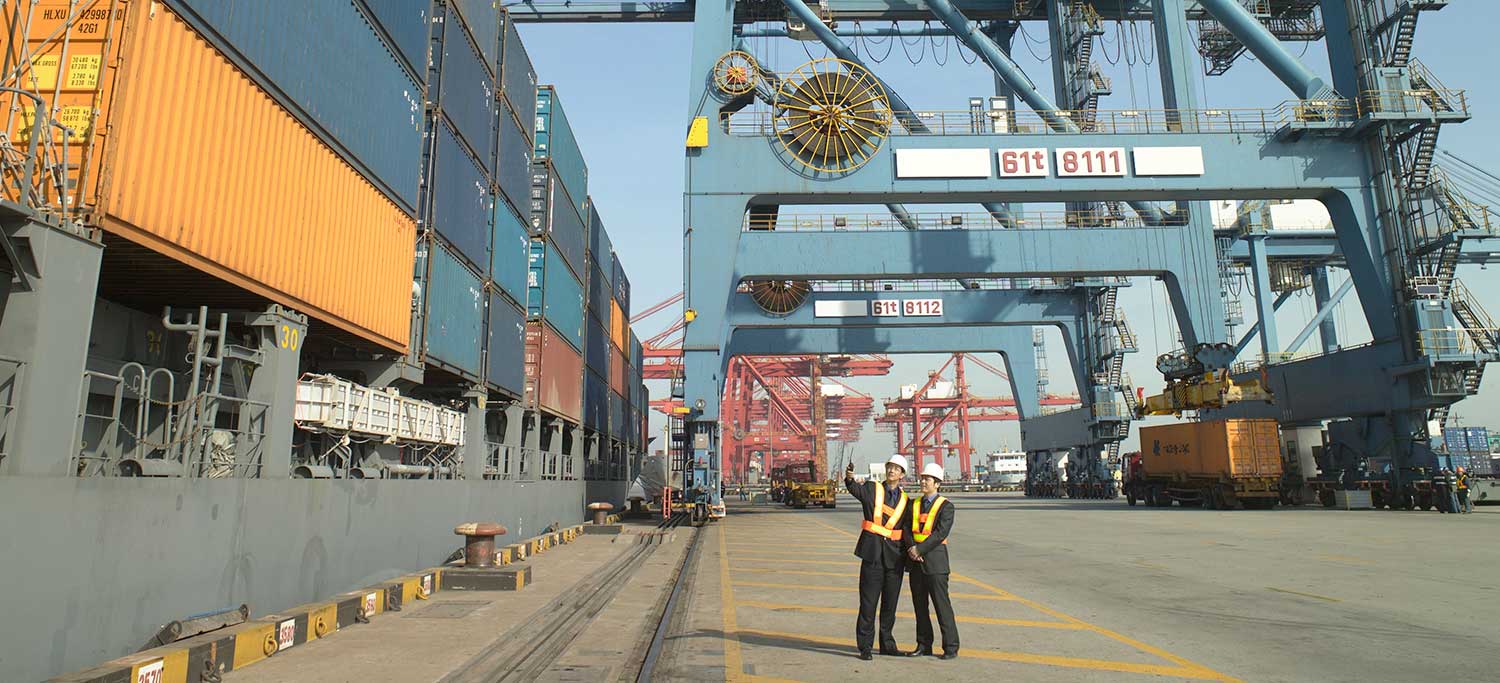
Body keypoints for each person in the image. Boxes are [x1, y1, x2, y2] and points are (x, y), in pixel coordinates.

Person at [844, 455, 911, 660]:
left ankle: (887, 644)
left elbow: (909, 529)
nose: (892, 471)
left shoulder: (906, 501)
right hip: (872, 555)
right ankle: (865, 646)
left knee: (890, 605)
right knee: (868, 603)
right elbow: (855, 489)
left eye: (897, 469)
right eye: (890, 467)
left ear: (902, 475)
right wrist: (849, 478)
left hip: (894, 559)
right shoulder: (872, 489)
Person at [905, 462, 959, 660]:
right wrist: (912, 549)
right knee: (920, 607)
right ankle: (923, 644)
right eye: (922, 478)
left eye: (927, 479)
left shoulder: (946, 507)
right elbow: (906, 529)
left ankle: (951, 647)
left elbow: (940, 533)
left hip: (936, 564)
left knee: (942, 606)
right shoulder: (914, 504)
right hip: (916, 563)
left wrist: (919, 549)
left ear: (937, 483)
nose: (923, 482)